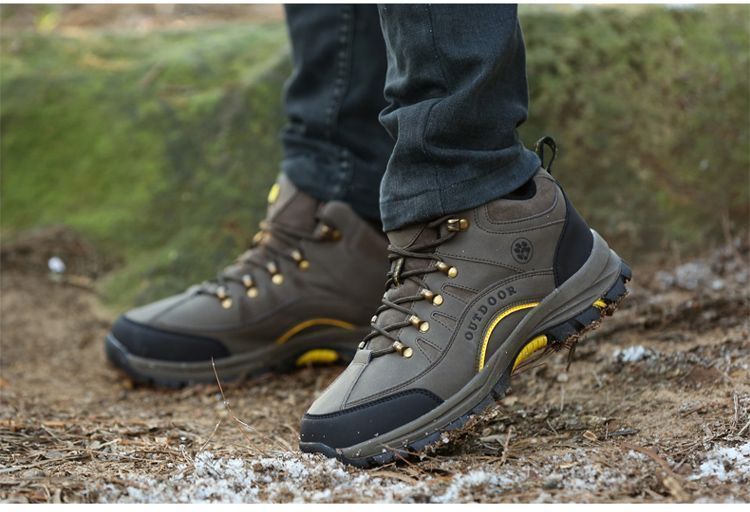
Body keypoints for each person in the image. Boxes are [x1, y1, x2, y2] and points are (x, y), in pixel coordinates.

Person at [104, 5, 631, 466]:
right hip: (342, 184)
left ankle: (477, 196)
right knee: (336, 165)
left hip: (478, 191)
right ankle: (342, 223)